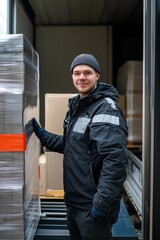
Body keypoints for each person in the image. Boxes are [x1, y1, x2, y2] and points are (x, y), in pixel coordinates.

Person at [32, 53, 128, 240]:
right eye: (77, 73)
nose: (81, 77)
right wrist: (43, 136)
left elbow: (115, 160)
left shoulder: (105, 108)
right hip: (74, 203)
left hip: (91, 207)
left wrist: (101, 204)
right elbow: (75, 146)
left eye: (87, 72)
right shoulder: (79, 106)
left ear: (97, 76)